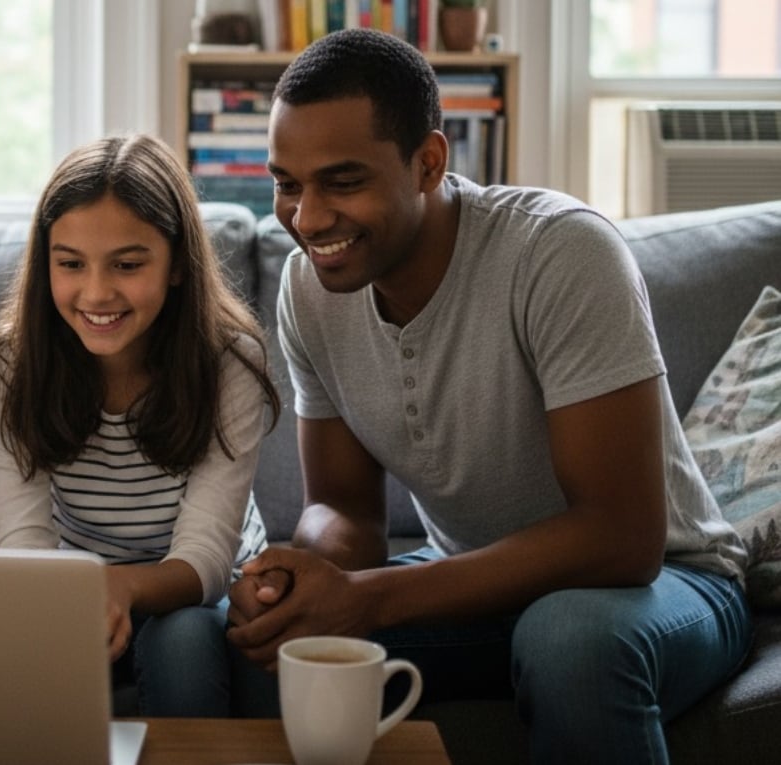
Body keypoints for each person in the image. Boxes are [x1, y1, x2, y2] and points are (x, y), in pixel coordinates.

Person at [225, 28, 752, 763]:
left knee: (568, 639)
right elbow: (344, 510)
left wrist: (369, 597)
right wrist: (304, 578)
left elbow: (621, 536)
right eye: (287, 183)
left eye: (343, 181)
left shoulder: (559, 253)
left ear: (428, 163)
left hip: (671, 579)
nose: (308, 219)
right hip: (477, 586)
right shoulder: (310, 290)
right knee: (269, 644)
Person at [0, 134, 280, 717]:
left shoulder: (230, 363)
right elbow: (24, 545)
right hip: (77, 592)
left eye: (128, 264)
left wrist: (124, 586)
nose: (96, 292)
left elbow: (208, 558)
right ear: (46, 266)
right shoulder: (8, 367)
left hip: (200, 590)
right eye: (70, 264)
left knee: (185, 641)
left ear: (176, 267)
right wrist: (87, 593)